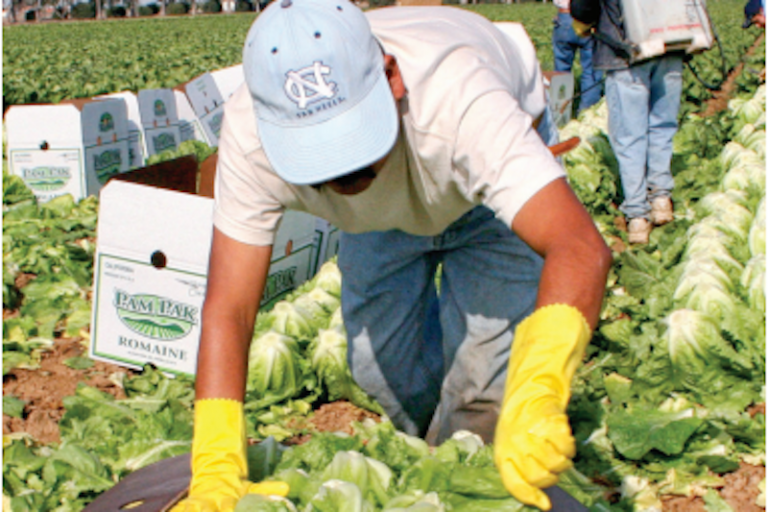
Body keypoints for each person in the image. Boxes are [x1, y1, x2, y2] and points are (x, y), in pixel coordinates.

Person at [173, 1, 612, 511]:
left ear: (391, 78)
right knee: (383, 371)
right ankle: (441, 451)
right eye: (316, 154)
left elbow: (579, 247)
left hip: (480, 195)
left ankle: (472, 461)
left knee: (488, 396)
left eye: (351, 140)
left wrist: (538, 390)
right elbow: (230, 305)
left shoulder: (463, 102)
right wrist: (215, 461)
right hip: (377, 213)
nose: (339, 171)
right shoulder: (253, 135)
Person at [571, 0, 681, 245]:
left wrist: (583, 20)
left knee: (630, 136)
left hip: (625, 52)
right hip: (672, 46)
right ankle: (661, 199)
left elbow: (583, 7)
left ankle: (637, 216)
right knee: (662, 126)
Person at [552, 0, 603, 113]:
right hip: (587, 18)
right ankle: (587, 112)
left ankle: (558, 112)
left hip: (563, 16)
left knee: (561, 70)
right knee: (591, 70)